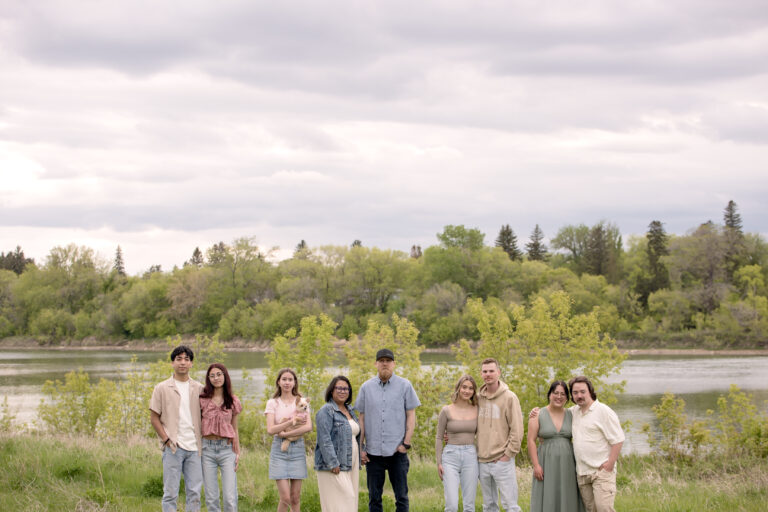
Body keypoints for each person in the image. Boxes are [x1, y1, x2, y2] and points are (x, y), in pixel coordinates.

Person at [355, 348, 421, 512]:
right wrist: (361, 448)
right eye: (381, 361)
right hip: (372, 454)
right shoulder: (366, 387)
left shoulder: (405, 385)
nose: (385, 364)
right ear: (376, 364)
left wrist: (406, 444)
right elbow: (361, 419)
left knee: (401, 497)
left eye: (388, 361)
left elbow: (411, 416)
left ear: (394, 364)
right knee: (374, 499)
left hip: (397, 452)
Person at [149, 345, 204, 512]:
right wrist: (166, 439)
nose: (183, 363)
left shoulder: (200, 388)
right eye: (179, 359)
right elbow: (154, 418)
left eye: (186, 359)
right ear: (172, 363)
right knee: (170, 492)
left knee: (194, 493)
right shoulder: (162, 388)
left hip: (195, 448)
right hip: (173, 447)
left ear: (191, 364)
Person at [568, 376, 624, 512]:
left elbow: (618, 439)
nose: (579, 396)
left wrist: (610, 464)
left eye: (582, 391)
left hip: (601, 472)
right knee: (591, 510)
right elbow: (555, 413)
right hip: (582, 474)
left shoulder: (603, 411)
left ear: (590, 392)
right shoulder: (573, 412)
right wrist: (538, 412)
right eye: (575, 393)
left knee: (604, 509)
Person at [528, 380, 584, 512]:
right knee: (548, 494)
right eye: (556, 393)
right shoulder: (537, 414)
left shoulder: (572, 414)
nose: (559, 397)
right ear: (549, 394)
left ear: (567, 397)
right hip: (546, 462)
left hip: (568, 463)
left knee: (568, 494)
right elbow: (530, 440)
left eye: (563, 394)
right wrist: (536, 465)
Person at [476, 358, 523, 512]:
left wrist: (508, 455)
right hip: (482, 460)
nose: (488, 374)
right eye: (485, 371)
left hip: (502, 460)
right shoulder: (477, 398)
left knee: (510, 505)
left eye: (491, 371)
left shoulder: (509, 397)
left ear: (498, 372)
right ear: (481, 373)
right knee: (489, 506)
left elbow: (517, 429)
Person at [265, 368, 313, 512]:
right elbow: (270, 430)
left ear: (294, 382)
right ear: (278, 382)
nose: (287, 382)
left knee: (295, 498)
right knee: (285, 498)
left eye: (290, 379)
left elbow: (309, 427)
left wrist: (285, 434)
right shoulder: (273, 403)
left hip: (297, 448)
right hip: (279, 450)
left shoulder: (301, 401)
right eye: (284, 379)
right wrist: (290, 422)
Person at [314, 375, 361, 512]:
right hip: (334, 464)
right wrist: (332, 462)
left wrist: (363, 451)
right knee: (344, 500)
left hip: (351, 462)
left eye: (346, 388)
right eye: (339, 388)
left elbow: (355, 435)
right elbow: (324, 439)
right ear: (331, 390)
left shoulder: (350, 410)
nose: (343, 391)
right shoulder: (326, 411)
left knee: (350, 503)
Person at [200, 363, 242, 512]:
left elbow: (234, 428)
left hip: (226, 449)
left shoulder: (233, 400)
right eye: (212, 375)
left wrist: (237, 452)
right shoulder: (202, 399)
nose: (216, 378)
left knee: (230, 498)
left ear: (225, 376)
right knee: (211, 498)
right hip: (207, 449)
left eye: (219, 374)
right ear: (208, 379)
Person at [435, 374, 479, 512]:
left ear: (473, 391)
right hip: (450, 457)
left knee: (469, 505)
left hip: (471, 456)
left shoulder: (477, 409)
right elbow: (439, 437)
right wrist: (439, 462)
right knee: (452, 505)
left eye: (471, 388)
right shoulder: (446, 410)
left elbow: (485, 432)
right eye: (464, 387)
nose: (467, 391)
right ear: (458, 388)